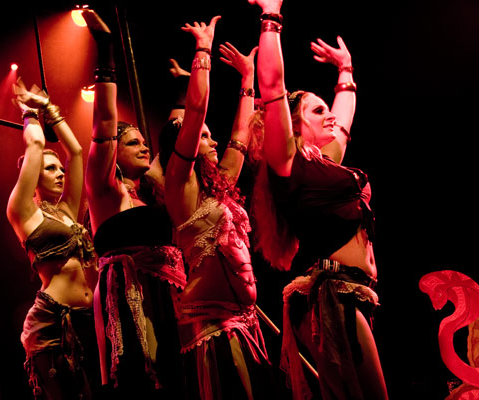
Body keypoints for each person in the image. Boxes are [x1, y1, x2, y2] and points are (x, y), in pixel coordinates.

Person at [247, 0, 389, 399]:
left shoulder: (325, 161)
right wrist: (271, 17)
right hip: (333, 293)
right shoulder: (289, 163)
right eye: (318, 110)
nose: (331, 116)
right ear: (292, 122)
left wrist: (346, 70)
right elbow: (272, 88)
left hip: (353, 292)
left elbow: (344, 116)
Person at [160, 15, 280, 400]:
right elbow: (194, 113)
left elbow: (241, 135)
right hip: (214, 328)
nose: (209, 139)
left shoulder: (221, 183)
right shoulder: (181, 184)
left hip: (246, 323)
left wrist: (247, 79)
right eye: (202, 136)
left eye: (211, 135)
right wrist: (203, 51)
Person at [82, 9, 187, 399]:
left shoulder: (151, 187)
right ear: (113, 153)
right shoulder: (106, 190)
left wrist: (182, 93)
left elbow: (176, 140)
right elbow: (104, 124)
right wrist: (106, 54)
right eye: (133, 142)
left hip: (168, 298)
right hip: (129, 297)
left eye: (144, 141)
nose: (144, 145)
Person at [6, 78, 101, 399]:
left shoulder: (66, 212)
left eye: (59, 169)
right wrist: (28, 113)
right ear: (33, 178)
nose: (61, 173)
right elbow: (34, 145)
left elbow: (75, 152)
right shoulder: (23, 213)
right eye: (50, 169)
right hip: (52, 324)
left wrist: (50, 108)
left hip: (87, 318)